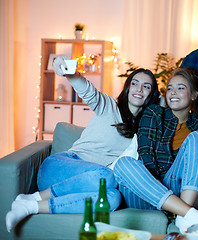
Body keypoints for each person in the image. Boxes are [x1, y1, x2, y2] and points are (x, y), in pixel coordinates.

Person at [5, 56, 160, 232]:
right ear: (128, 87)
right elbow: (88, 91)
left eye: (146, 86)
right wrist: (72, 73)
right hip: (58, 168)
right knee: (108, 177)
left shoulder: (144, 130)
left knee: (112, 198)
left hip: (84, 185)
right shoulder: (109, 106)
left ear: (151, 94)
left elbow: (167, 110)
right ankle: (33, 197)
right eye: (135, 83)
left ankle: (29, 207)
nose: (139, 89)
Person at [113, 68, 198, 234]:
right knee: (123, 164)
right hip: (146, 191)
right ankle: (187, 212)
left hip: (178, 188)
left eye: (180, 88)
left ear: (194, 95)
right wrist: (160, 190)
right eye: (169, 88)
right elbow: (146, 156)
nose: (173, 92)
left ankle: (182, 214)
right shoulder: (154, 113)